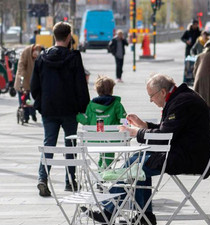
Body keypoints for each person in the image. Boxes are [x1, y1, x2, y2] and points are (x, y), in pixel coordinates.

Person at [85, 74, 210, 224]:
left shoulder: (182, 102)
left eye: (151, 96)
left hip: (191, 158)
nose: (151, 100)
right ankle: (143, 216)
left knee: (136, 165)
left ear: (163, 92)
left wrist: (136, 133)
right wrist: (143, 125)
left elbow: (166, 134)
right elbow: (169, 130)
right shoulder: (179, 98)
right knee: (138, 161)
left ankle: (112, 210)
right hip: (186, 152)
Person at [31, 22, 90, 197]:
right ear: (69, 37)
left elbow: (35, 86)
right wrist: (83, 107)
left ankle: (42, 178)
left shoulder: (42, 58)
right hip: (69, 109)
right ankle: (70, 182)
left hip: (49, 109)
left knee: (49, 143)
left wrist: (40, 105)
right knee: (70, 144)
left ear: (54, 37)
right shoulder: (73, 58)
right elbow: (80, 84)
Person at [76, 75, 127, 167]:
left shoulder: (91, 105)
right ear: (111, 90)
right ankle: (105, 170)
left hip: (94, 139)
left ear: (97, 90)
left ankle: (102, 169)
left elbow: (86, 121)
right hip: (112, 139)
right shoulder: (116, 104)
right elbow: (124, 120)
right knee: (108, 148)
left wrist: (77, 115)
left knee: (102, 145)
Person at [14, 44, 43, 123]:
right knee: (23, 99)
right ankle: (26, 117)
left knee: (31, 99)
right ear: (33, 50)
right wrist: (22, 76)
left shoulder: (38, 56)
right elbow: (21, 65)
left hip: (31, 80)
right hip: (23, 79)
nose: (35, 57)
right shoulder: (25, 52)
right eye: (35, 55)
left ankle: (33, 113)